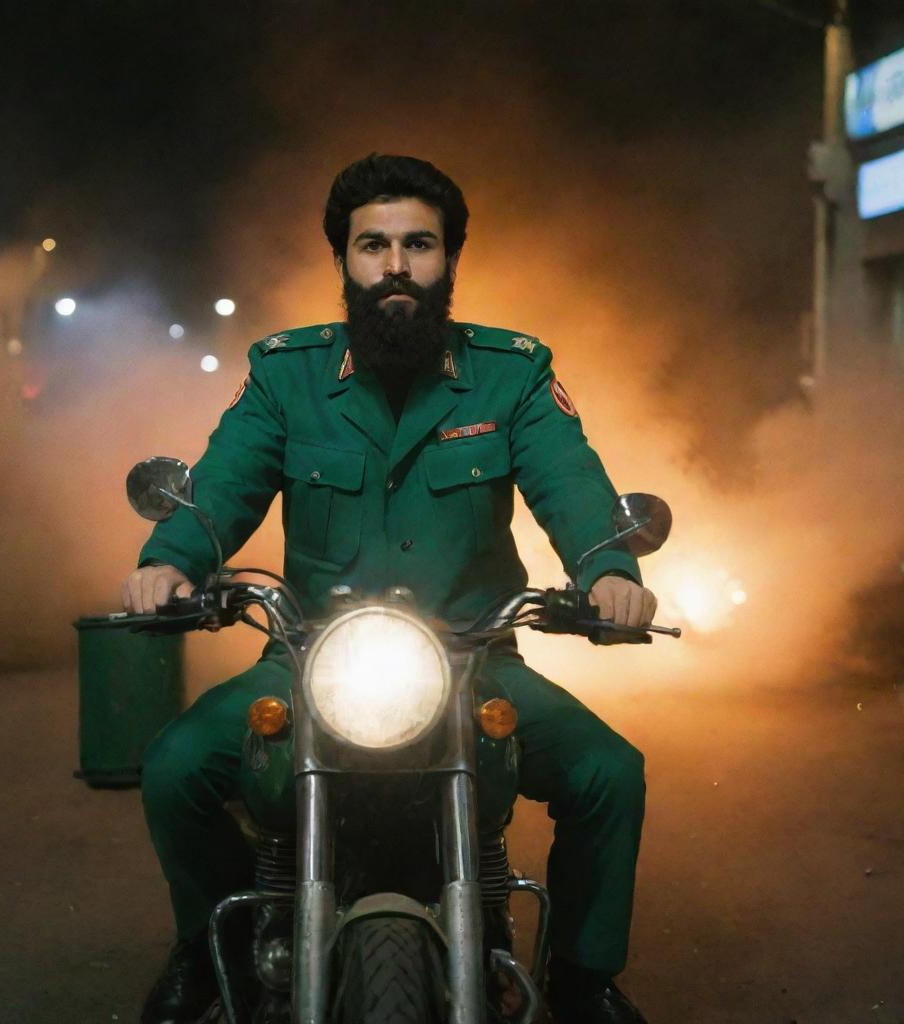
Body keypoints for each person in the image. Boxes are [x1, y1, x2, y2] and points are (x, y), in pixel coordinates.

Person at [123, 154, 657, 1024]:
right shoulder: (286, 374)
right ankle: (214, 947)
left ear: (450, 260)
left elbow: (570, 478)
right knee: (175, 767)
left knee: (611, 775)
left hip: (476, 659)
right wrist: (174, 558)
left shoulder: (510, 372)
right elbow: (225, 483)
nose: (396, 265)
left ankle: (582, 978)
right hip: (306, 660)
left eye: (420, 244)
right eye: (374, 245)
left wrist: (608, 571)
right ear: (343, 260)